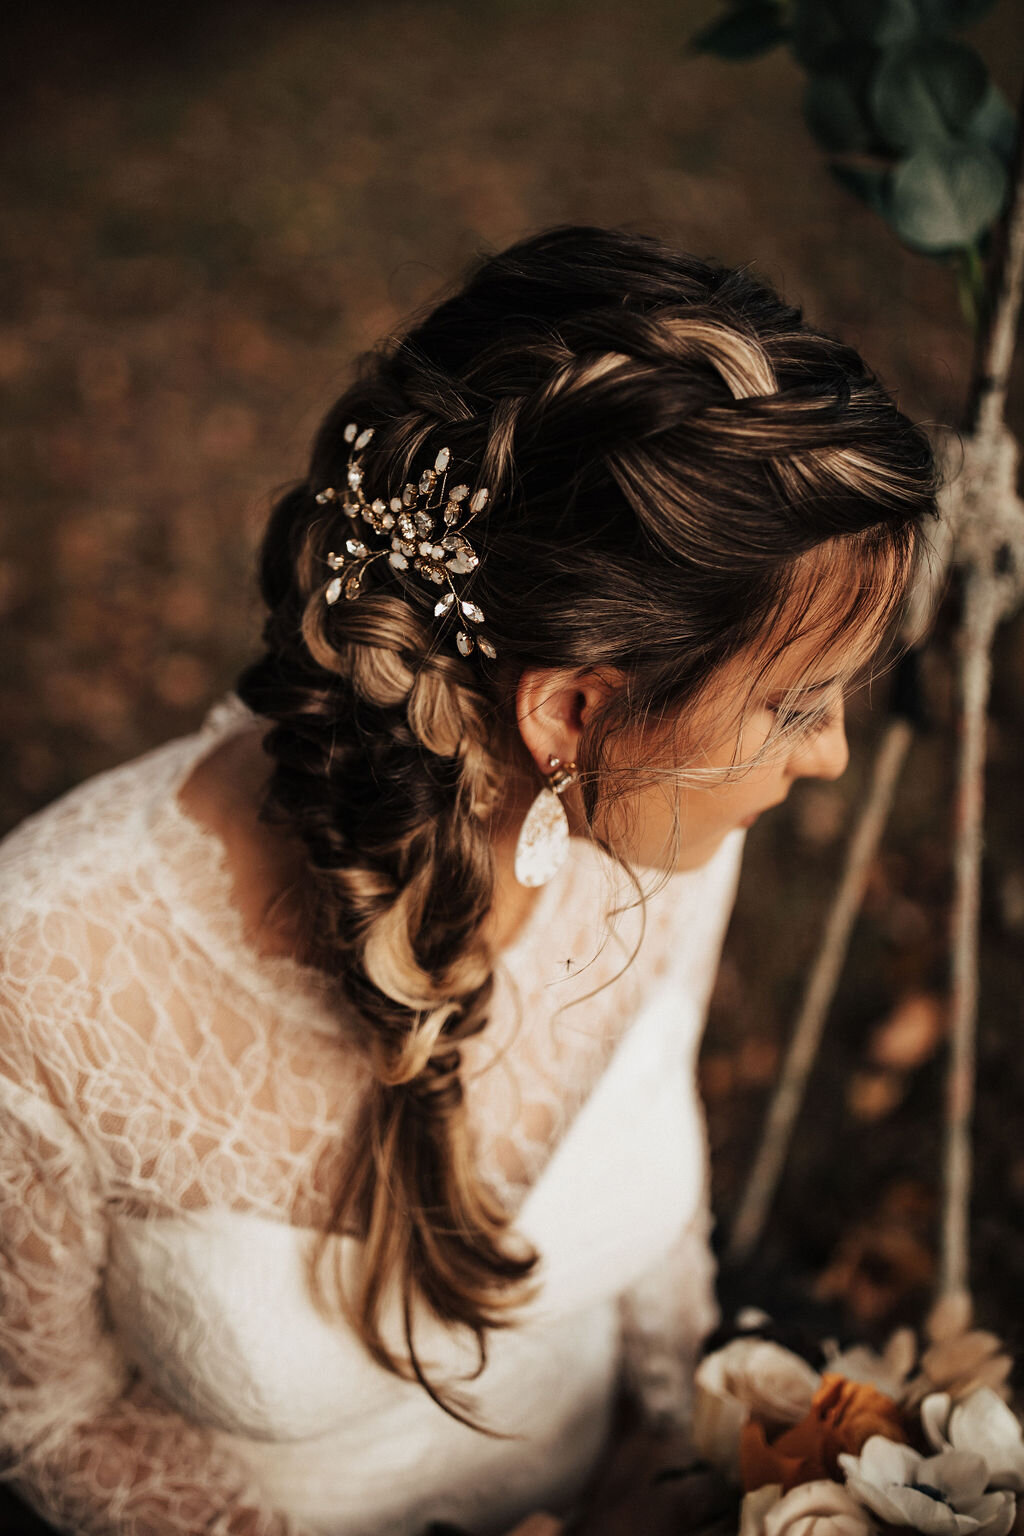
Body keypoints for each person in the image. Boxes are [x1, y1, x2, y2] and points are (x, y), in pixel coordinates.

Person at [0, 224, 940, 1536]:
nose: (832, 757)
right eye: (795, 709)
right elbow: (49, 1419)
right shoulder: (42, 982)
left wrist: (684, 1462)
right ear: (570, 711)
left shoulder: (656, 824)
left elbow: (660, 1215)